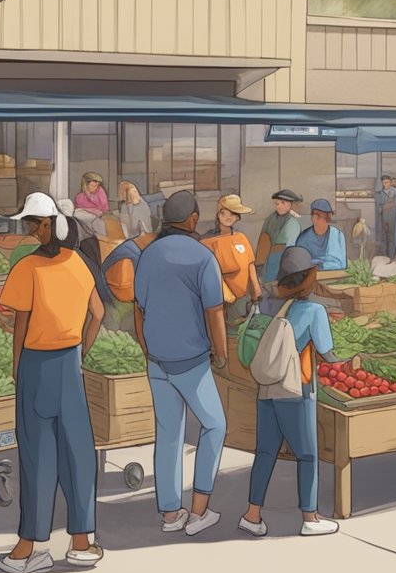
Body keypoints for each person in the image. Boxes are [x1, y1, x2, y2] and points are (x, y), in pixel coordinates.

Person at [0, 192, 104, 573]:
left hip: (36, 366)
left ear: (49, 224)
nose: (30, 230)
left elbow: (20, 325)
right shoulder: (80, 264)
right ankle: (81, 542)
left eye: (34, 223)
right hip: (69, 365)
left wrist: (16, 366)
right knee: (77, 450)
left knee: (37, 455)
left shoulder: (27, 269)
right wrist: (81, 351)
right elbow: (99, 312)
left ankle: (27, 549)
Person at [133, 190, 228, 537]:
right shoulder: (203, 258)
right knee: (215, 426)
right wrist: (221, 353)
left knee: (169, 434)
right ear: (191, 219)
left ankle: (171, 515)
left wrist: (146, 348)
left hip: (157, 361)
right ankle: (199, 511)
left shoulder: (148, 255)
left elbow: (138, 308)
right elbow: (214, 311)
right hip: (191, 362)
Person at [240, 247, 341, 538]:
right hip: (296, 391)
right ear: (309, 278)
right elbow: (327, 354)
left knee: (265, 451)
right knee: (307, 454)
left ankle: (252, 514)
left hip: (267, 389)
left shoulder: (272, 307)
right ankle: (310, 517)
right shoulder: (314, 311)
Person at [201, 194, 262, 314]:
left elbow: (250, 267)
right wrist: (227, 296)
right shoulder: (207, 242)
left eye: (233, 214)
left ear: (237, 217)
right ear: (218, 214)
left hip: (244, 299)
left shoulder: (241, 238)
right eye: (225, 213)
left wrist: (256, 292)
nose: (229, 217)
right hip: (221, 302)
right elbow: (208, 273)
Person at [257, 189, 302, 283]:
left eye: (282, 203)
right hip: (267, 259)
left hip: (283, 259)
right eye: (277, 204)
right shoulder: (270, 219)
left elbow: (288, 248)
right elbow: (263, 240)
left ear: (289, 205)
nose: (279, 206)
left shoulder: (293, 223)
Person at [295, 199, 347, 272]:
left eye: (324, 217)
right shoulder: (304, 237)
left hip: (333, 276)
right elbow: (300, 263)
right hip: (309, 277)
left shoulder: (337, 235)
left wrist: (320, 265)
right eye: (314, 215)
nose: (314, 218)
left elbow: (341, 264)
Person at [374, 175, 396, 263]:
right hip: (385, 218)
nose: (385, 184)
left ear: (391, 182)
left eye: (387, 182)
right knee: (387, 238)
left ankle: (394, 256)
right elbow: (379, 209)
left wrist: (390, 206)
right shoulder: (380, 195)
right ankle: (390, 257)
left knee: (395, 237)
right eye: (384, 182)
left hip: (395, 217)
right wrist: (391, 204)